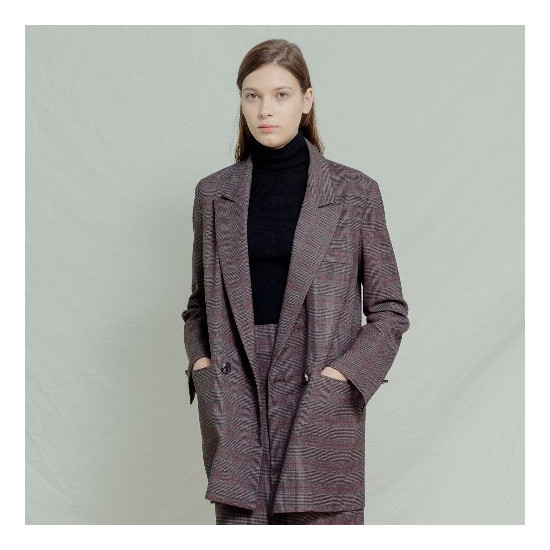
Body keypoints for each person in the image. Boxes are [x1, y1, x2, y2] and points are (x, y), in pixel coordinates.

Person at [182, 38, 410, 525]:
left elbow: (390, 311)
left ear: (307, 101)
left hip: (317, 389)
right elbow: (199, 305)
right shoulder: (213, 194)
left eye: (281, 95)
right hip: (236, 394)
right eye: (252, 95)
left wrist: (342, 377)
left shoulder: (355, 193)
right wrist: (203, 365)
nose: (265, 109)